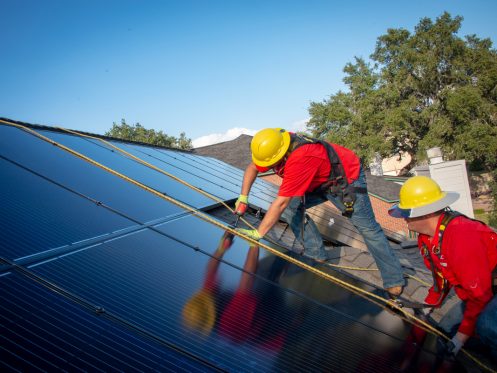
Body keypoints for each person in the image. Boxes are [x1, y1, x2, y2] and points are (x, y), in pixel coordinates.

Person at [234, 127, 405, 297]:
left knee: (368, 229)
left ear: (281, 153)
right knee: (292, 209)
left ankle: (394, 279)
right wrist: (243, 197)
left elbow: (280, 203)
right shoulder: (275, 147)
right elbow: (253, 168)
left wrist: (259, 233)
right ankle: (316, 254)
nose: (269, 167)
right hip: (317, 179)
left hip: (345, 179)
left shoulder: (301, 156)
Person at [388, 176, 497, 359]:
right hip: (478, 292)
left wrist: (460, 339)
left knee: (486, 326)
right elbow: (441, 277)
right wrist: (428, 305)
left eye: (407, 214)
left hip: (487, 290)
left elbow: (480, 296)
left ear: (427, 213)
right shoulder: (427, 238)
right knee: (444, 330)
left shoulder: (462, 237)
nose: (404, 219)